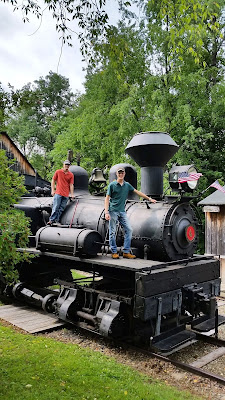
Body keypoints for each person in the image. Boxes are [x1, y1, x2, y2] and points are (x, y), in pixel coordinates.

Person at [104, 167, 157, 259]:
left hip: (122, 211)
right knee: (112, 232)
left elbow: (137, 192)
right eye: (119, 173)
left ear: (124, 174)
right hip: (113, 211)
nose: (121, 174)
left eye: (122, 173)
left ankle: (126, 251)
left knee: (129, 230)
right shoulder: (112, 185)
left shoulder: (127, 185)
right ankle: (113, 251)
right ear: (117, 174)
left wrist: (149, 199)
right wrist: (106, 212)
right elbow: (107, 198)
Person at [47, 160, 75, 226]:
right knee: (56, 207)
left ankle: (57, 220)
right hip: (58, 193)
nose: (67, 166)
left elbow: (71, 184)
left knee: (61, 208)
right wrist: (53, 190)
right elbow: (53, 180)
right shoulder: (58, 172)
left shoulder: (71, 175)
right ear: (63, 165)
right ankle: (51, 220)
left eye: (68, 165)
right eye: (66, 165)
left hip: (66, 194)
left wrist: (72, 194)